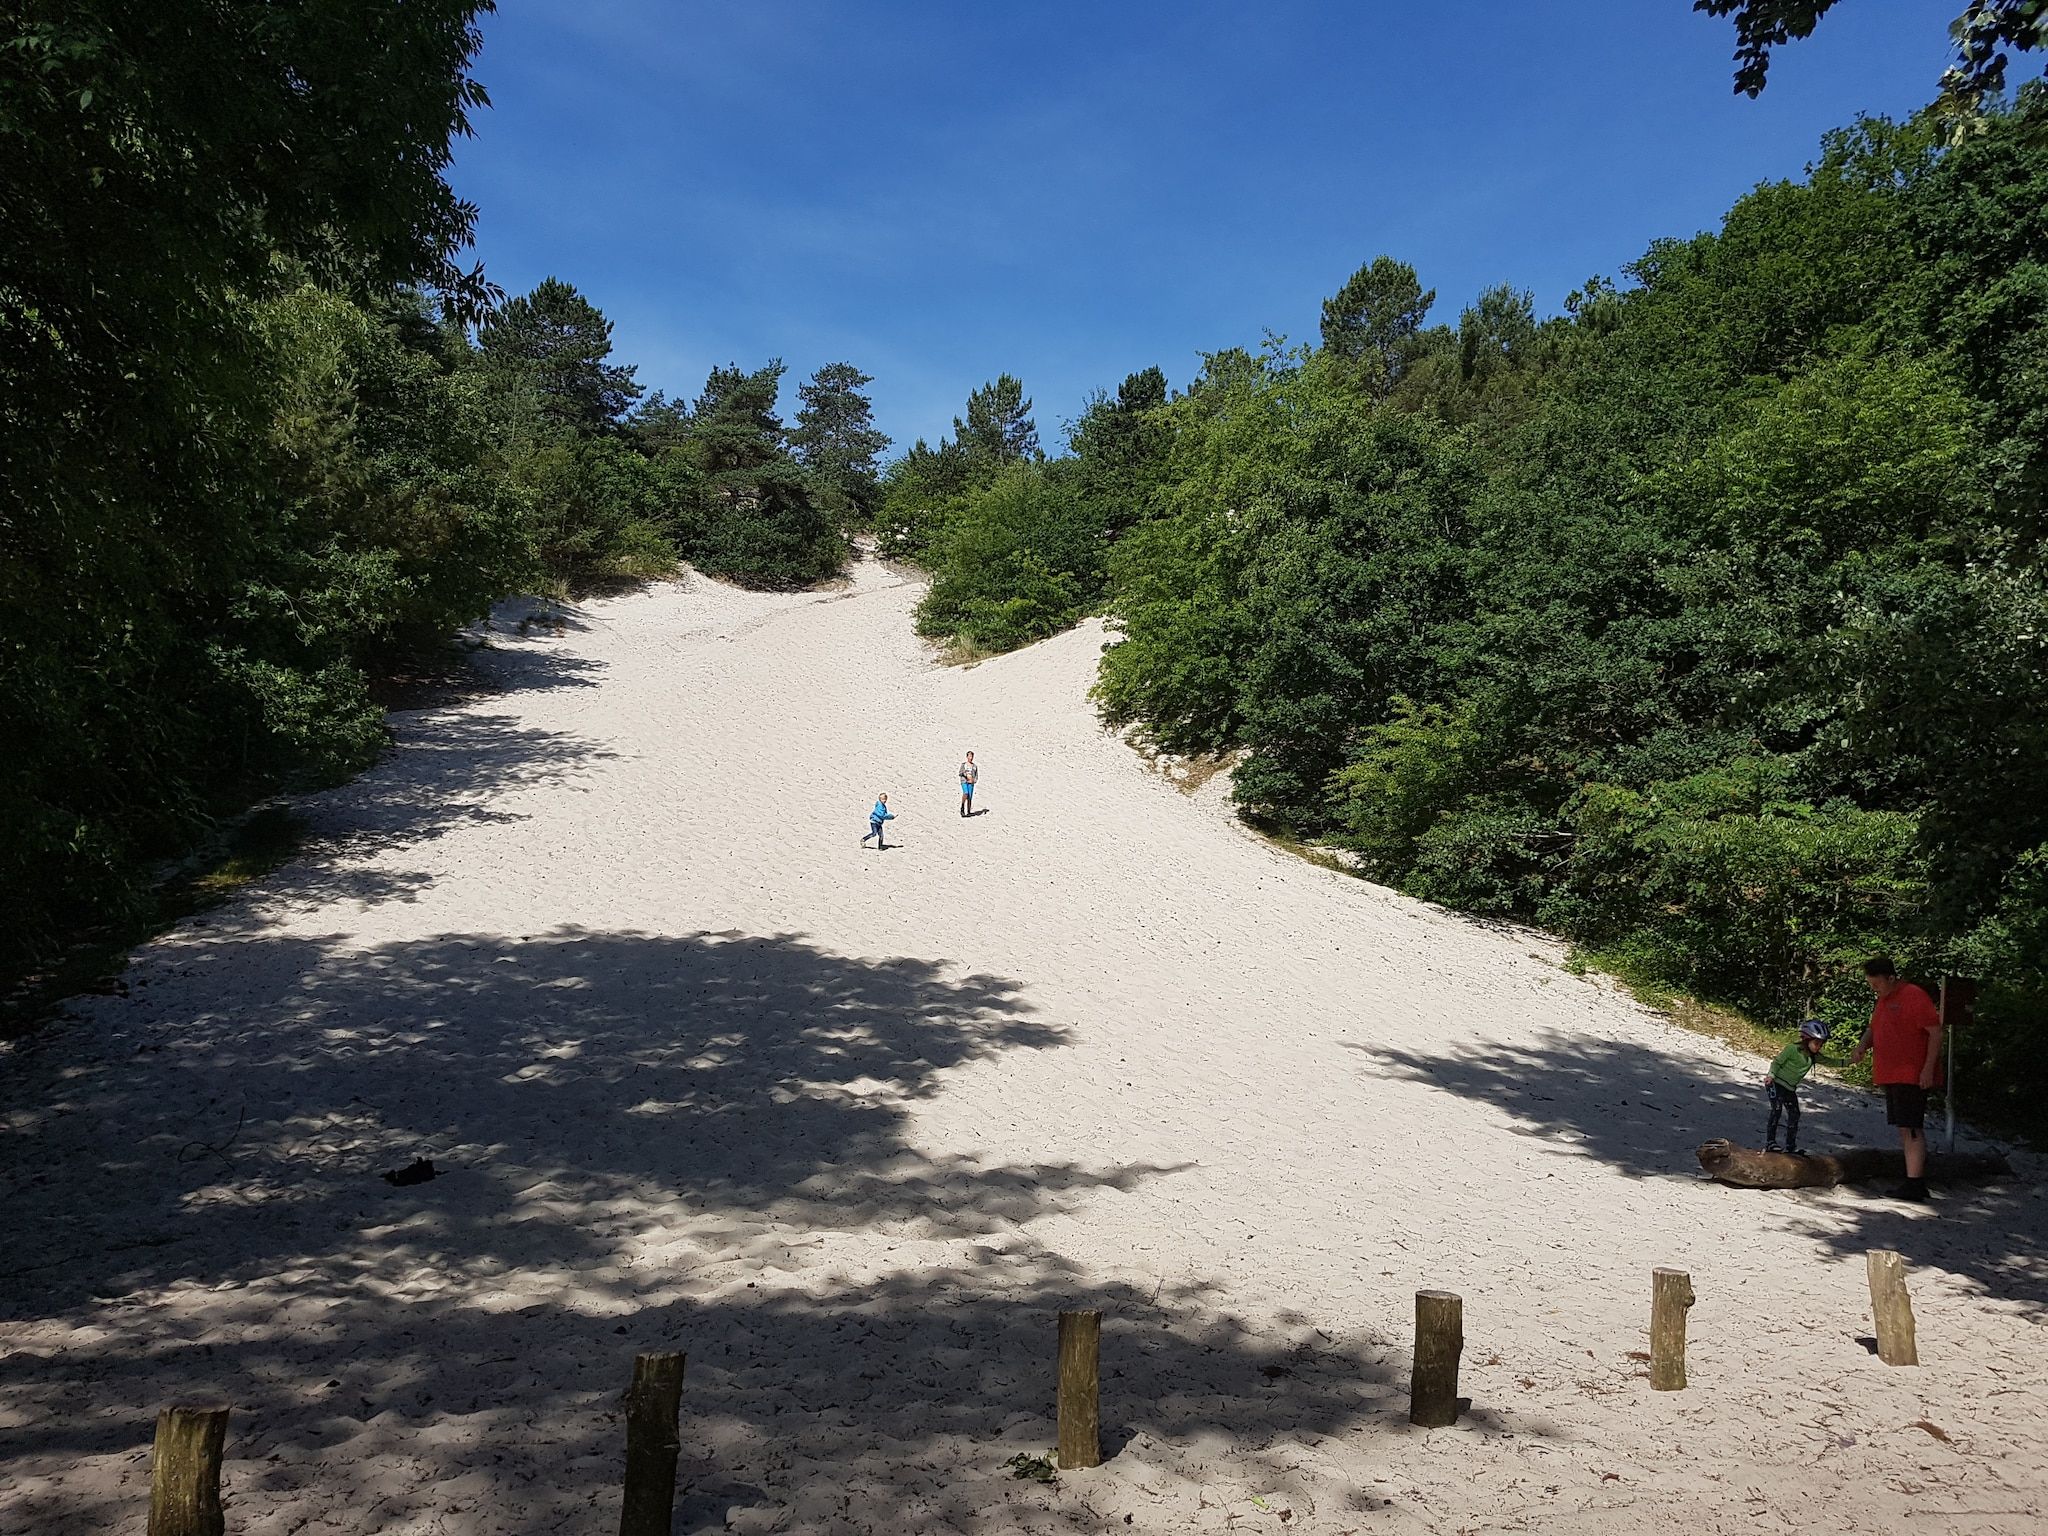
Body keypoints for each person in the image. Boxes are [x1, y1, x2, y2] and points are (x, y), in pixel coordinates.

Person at [1847, 957, 1943, 1203]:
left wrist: (1927, 1069)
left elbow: (1935, 1032)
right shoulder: (1883, 999)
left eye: (1876, 984)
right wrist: (1862, 1046)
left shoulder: (1914, 995)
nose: (1874, 988)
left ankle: (1915, 1183)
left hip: (1911, 1073)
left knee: (1911, 1127)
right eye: (1871, 984)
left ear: (1890, 978)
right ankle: (1912, 1178)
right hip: (1892, 1073)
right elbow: (1874, 1028)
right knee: (1903, 1126)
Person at [1764, 1019, 1830, 1155]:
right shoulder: (1792, 1049)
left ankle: (1790, 1147)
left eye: (1821, 1044)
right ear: (1807, 1039)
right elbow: (1777, 1063)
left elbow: (1831, 1062)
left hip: (1790, 1088)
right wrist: (1771, 1075)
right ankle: (1771, 1142)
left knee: (1795, 1114)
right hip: (1775, 1083)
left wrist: (1852, 1060)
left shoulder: (1813, 1056)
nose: (1818, 1047)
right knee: (1776, 1109)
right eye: (1816, 1043)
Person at [958, 751, 979, 817]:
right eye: (969, 756)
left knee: (969, 797)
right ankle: (962, 807)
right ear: (967, 757)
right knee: (966, 793)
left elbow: (976, 776)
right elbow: (960, 773)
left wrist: (973, 780)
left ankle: (968, 811)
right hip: (964, 781)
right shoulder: (963, 765)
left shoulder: (974, 766)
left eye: (972, 756)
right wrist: (965, 775)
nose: (971, 758)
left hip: (971, 782)